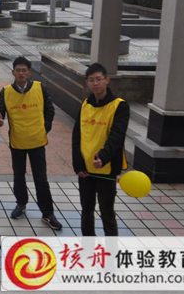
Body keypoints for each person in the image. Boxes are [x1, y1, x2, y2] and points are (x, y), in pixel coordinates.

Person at [0, 57, 63, 230]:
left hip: (37, 141)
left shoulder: (40, 88)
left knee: (41, 179)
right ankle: (21, 204)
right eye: (18, 70)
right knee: (19, 176)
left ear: (29, 72)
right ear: (13, 72)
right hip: (17, 142)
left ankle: (47, 213)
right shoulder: (6, 91)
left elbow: (49, 110)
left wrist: (44, 129)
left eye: (24, 70)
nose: (21, 73)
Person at [72, 63, 129, 236]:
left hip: (106, 168)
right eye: (91, 80)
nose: (95, 83)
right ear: (87, 83)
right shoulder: (85, 104)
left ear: (107, 80)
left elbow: (116, 136)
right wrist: (78, 163)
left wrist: (103, 157)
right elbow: (77, 135)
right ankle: (88, 246)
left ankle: (111, 249)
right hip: (86, 169)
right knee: (86, 210)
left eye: (99, 79)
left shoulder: (119, 106)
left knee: (107, 213)